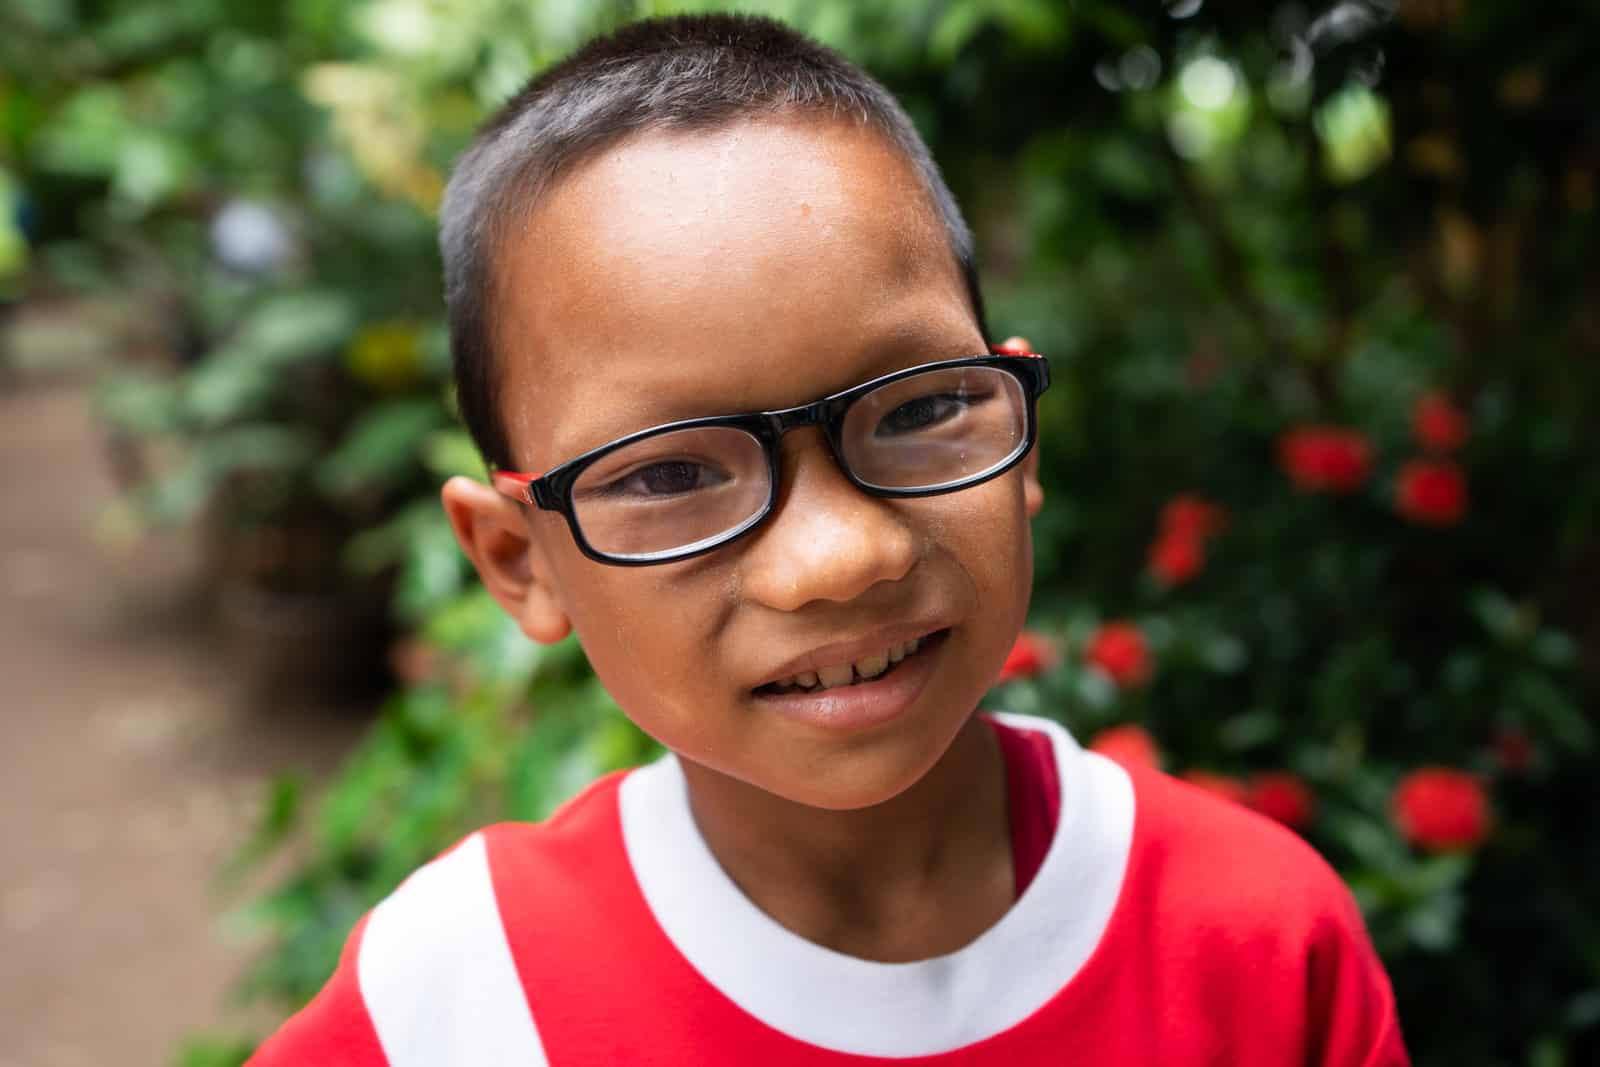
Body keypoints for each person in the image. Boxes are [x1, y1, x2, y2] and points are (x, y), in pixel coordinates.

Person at [248, 14, 1409, 1065]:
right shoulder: (452, 1002)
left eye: (917, 410)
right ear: (520, 558)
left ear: (1022, 436)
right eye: (667, 473)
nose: (841, 556)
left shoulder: (1254, 941)